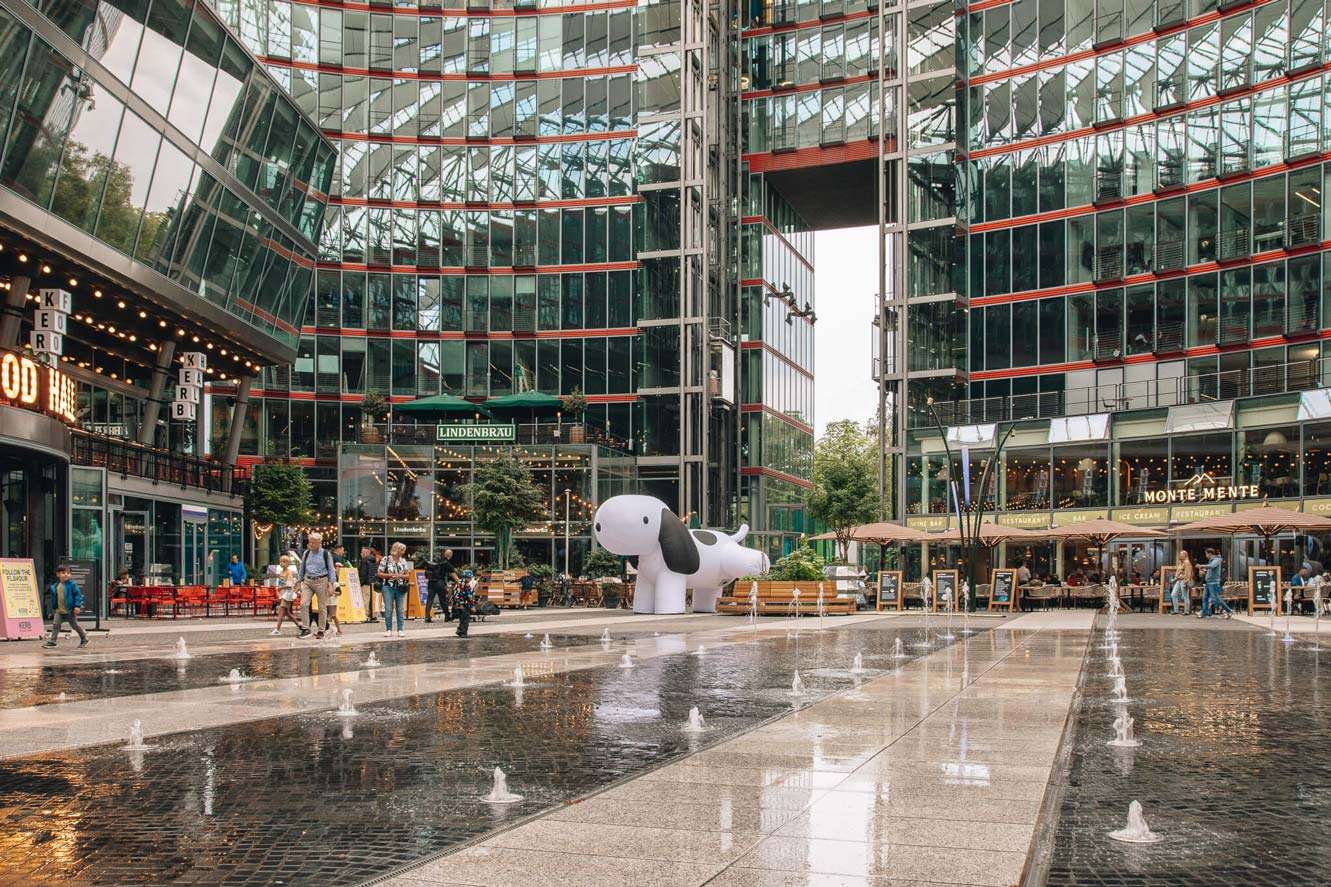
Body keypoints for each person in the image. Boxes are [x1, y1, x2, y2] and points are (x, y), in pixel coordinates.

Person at [297, 532, 337, 640]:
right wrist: (298, 581)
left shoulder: (325, 554)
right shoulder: (306, 553)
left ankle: (321, 630)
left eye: (313, 542)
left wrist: (331, 585)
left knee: (322, 607)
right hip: (307, 581)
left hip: (321, 581)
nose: (310, 544)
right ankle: (306, 628)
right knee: (304, 604)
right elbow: (302, 567)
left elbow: (331, 569)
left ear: (319, 543)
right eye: (310, 541)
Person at [44, 565, 88, 649]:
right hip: (59, 610)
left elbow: (77, 595)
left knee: (74, 625)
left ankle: (84, 638)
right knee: (55, 625)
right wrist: (54, 608)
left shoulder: (72, 585)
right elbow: (55, 598)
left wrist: (77, 606)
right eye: (63, 573)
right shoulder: (56, 586)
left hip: (70, 610)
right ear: (58, 574)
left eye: (68, 573)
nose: (66, 575)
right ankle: (53, 641)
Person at [377, 542, 411, 638]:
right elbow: (379, 573)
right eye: (402, 550)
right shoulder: (386, 559)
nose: (403, 552)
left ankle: (400, 629)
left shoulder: (403, 561)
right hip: (388, 586)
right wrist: (390, 576)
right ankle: (388, 629)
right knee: (388, 609)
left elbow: (408, 575)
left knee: (400, 609)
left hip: (400, 587)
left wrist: (400, 576)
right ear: (397, 550)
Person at [1198, 547, 1232, 619]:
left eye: (1206, 554)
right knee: (1205, 598)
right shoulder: (1211, 560)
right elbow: (1210, 569)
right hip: (1208, 582)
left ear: (1209, 554)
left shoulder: (1217, 560)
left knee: (1216, 599)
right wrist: (1204, 571)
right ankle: (1204, 613)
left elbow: (1212, 566)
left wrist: (1201, 566)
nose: (1206, 556)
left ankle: (1229, 611)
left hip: (1213, 583)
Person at [272, 553, 301, 635]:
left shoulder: (289, 572)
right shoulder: (281, 572)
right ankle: (299, 626)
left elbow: (289, 585)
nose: (282, 563)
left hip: (288, 594)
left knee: (281, 611)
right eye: (281, 561)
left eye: (284, 561)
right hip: (283, 593)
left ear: (288, 563)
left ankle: (277, 629)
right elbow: (280, 584)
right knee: (287, 613)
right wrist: (279, 591)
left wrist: (281, 588)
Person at [425, 548, 455, 623]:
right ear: (450, 555)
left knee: (430, 600)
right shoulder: (446, 563)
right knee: (443, 600)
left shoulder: (438, 561)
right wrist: (459, 581)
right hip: (439, 582)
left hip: (431, 582)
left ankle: (427, 617)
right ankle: (447, 616)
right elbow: (453, 573)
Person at [1171, 550, 1194, 615]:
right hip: (1178, 580)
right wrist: (1175, 579)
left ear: (1185, 555)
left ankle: (1186, 611)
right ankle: (1176, 610)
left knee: (1185, 596)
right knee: (1173, 594)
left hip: (1184, 580)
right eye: (1180, 554)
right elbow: (1178, 572)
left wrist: (1186, 581)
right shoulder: (1180, 562)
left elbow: (1188, 573)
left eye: (1182, 554)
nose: (1180, 555)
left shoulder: (1186, 562)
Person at [454, 569, 476, 638]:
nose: (470, 579)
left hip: (458, 604)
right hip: (464, 604)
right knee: (466, 619)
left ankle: (459, 630)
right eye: (470, 578)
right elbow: (469, 596)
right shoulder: (466, 585)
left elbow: (455, 593)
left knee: (461, 619)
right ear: (467, 577)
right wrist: (472, 606)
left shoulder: (458, 583)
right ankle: (463, 633)